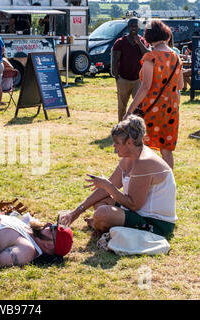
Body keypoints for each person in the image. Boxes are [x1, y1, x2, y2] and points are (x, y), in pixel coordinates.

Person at [59, 115, 177, 238]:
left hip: (156, 224)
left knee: (102, 213)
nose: (114, 147)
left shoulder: (144, 162)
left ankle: (101, 225)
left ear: (129, 143)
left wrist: (108, 186)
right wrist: (75, 212)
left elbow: (133, 205)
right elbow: (106, 189)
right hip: (138, 214)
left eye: (116, 143)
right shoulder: (130, 156)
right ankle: (103, 225)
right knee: (99, 202)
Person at [124, 20, 183, 169]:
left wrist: (130, 110)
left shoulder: (151, 57)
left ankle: (144, 180)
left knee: (143, 146)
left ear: (149, 37)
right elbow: (180, 85)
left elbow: (145, 87)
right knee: (166, 149)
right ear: (166, 35)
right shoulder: (176, 57)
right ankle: (168, 184)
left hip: (152, 108)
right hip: (171, 108)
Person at [112, 17, 150, 122]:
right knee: (122, 106)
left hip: (137, 79)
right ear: (128, 28)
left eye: (136, 26)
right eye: (132, 25)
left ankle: (136, 126)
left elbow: (147, 54)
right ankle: (121, 126)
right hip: (123, 79)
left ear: (139, 28)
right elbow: (114, 60)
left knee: (138, 105)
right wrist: (116, 76)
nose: (134, 28)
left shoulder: (142, 41)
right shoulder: (120, 42)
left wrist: (139, 43)